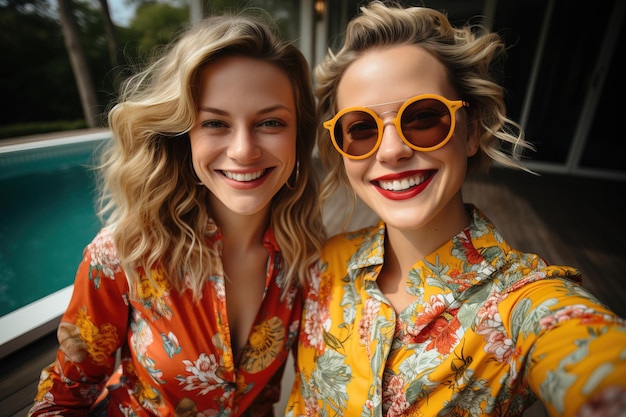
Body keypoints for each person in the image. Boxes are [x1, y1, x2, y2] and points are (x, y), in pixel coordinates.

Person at [286, 2, 626, 416]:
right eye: (360, 129)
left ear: (471, 130)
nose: (392, 150)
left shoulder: (521, 303)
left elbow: (588, 355)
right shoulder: (322, 264)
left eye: (424, 117)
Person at [28, 9, 325, 417]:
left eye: (271, 122)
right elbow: (62, 399)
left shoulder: (307, 260)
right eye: (215, 124)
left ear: (298, 136)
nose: (243, 150)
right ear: (182, 136)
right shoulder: (124, 255)